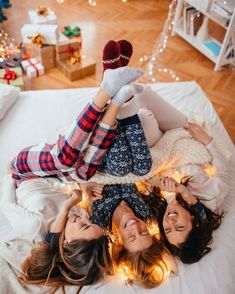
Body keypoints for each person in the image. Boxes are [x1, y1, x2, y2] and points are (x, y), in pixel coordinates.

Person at [6, 65, 144, 290]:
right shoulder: (78, 214)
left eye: (83, 226)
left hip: (23, 170)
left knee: (66, 161)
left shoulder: (32, 227)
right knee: (86, 171)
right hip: (53, 172)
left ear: (68, 243)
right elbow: (61, 185)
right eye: (90, 223)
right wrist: (82, 185)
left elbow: (6, 202)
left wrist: (9, 175)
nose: (83, 218)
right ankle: (116, 102)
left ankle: (105, 90)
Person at [143, 122, 228, 264]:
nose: (170, 222)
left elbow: (143, 178)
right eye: (179, 227)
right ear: (194, 222)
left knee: (145, 118)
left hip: (155, 148)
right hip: (181, 138)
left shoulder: (157, 205)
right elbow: (224, 173)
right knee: (146, 114)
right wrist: (206, 139)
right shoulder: (209, 199)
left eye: (168, 229)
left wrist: (158, 182)